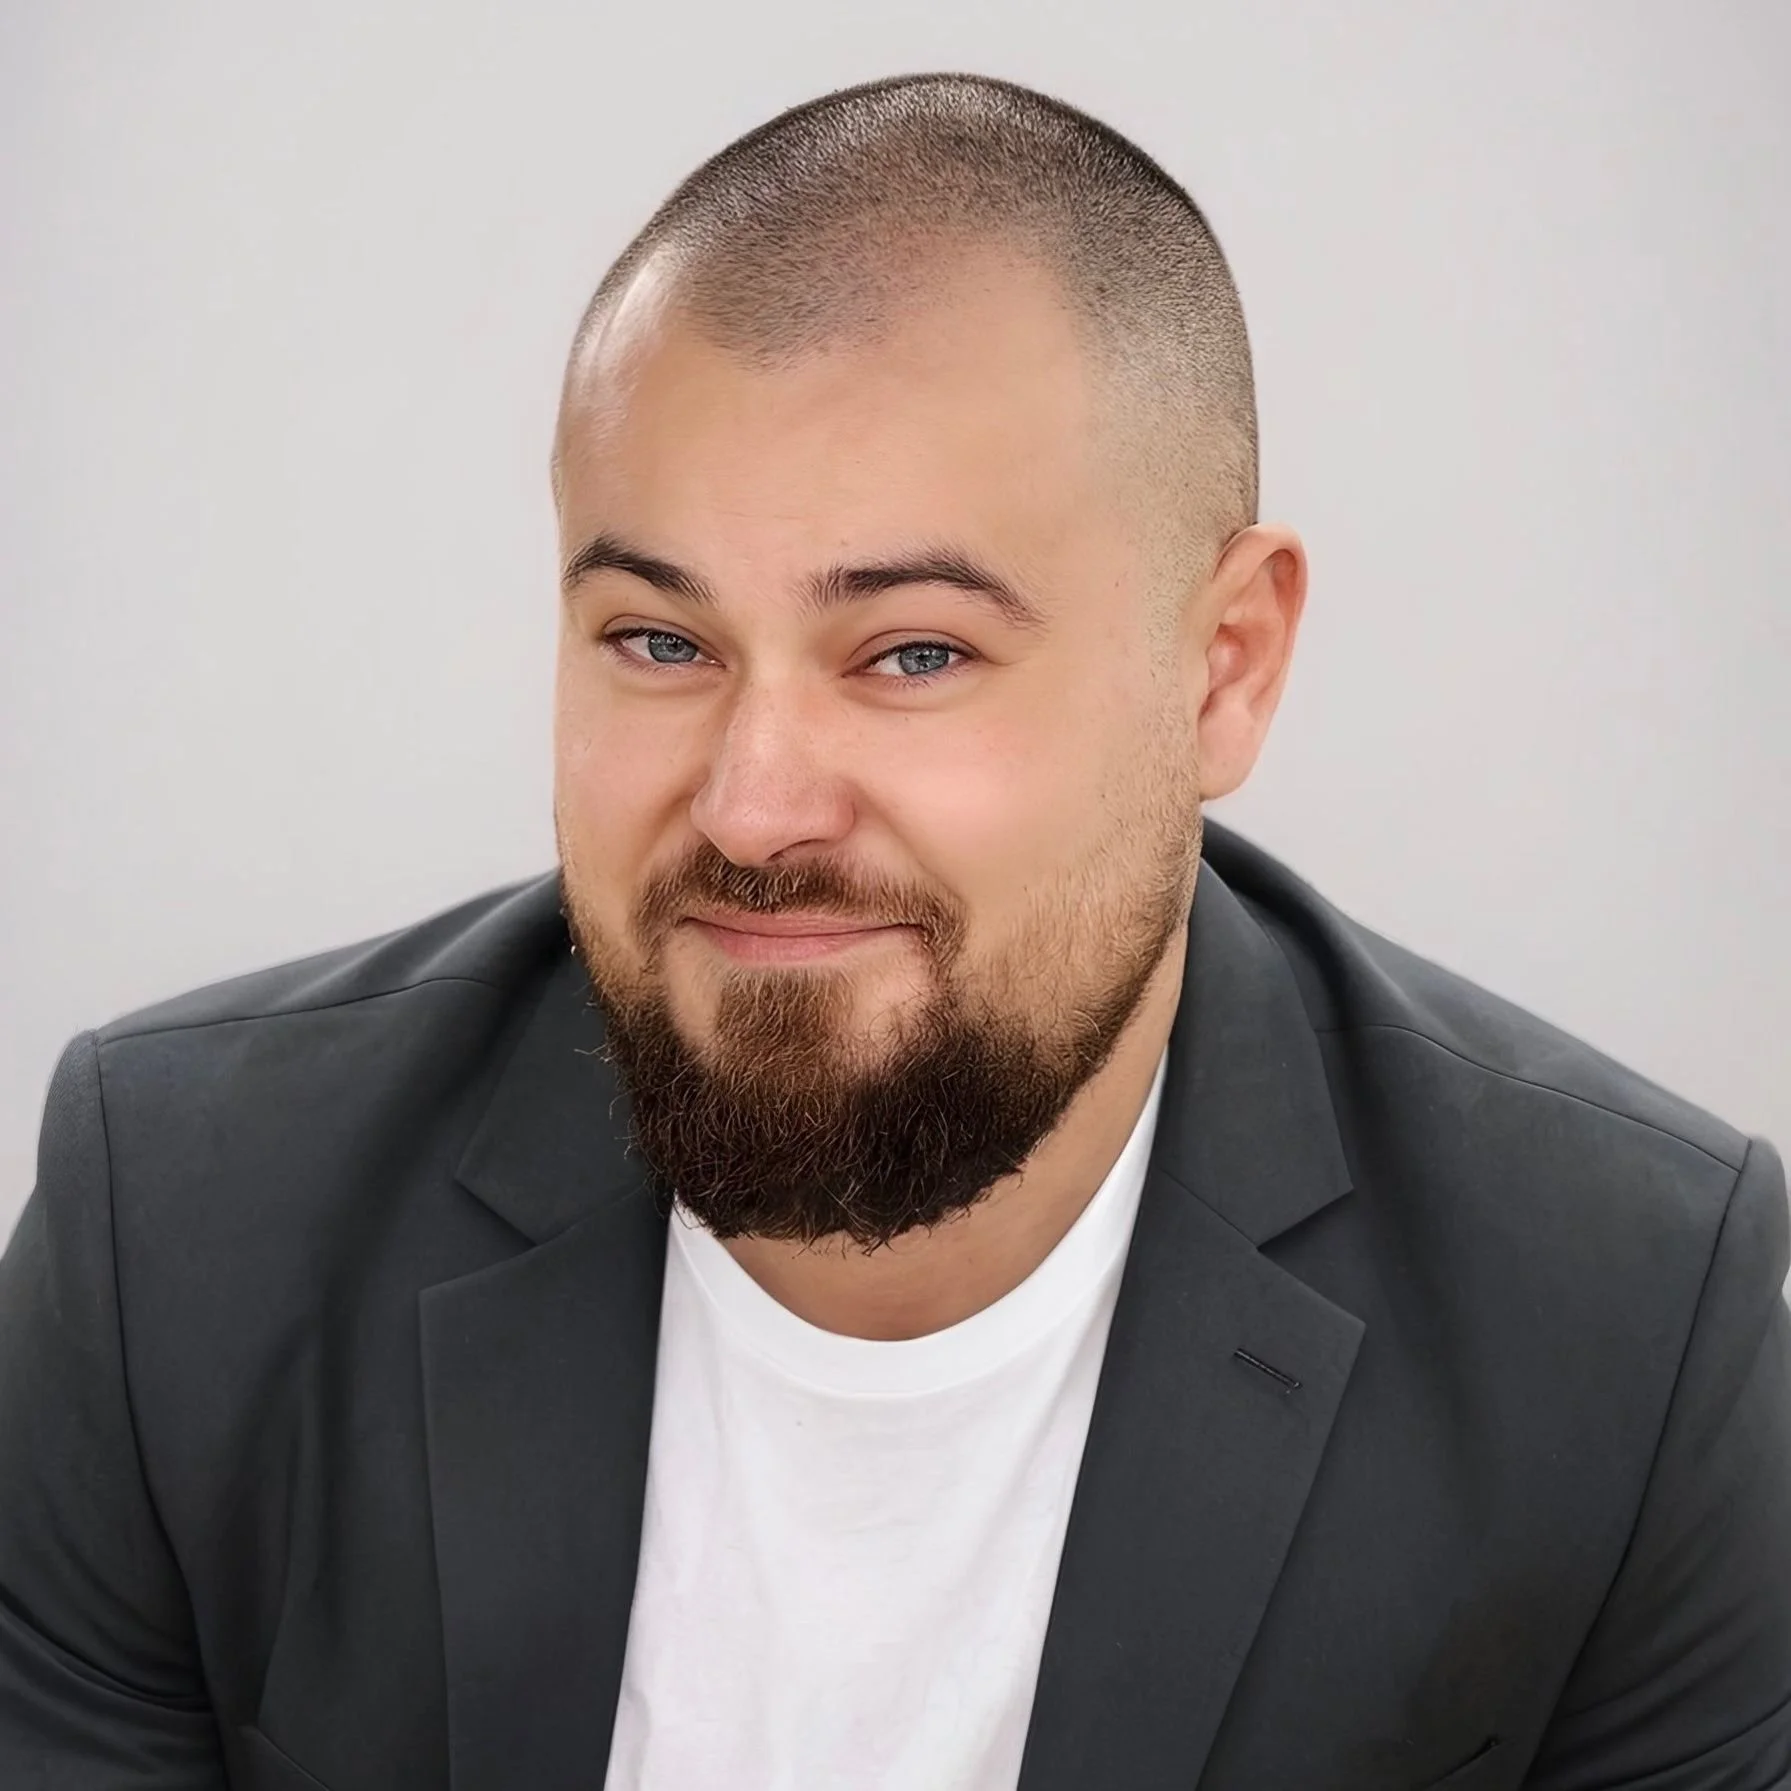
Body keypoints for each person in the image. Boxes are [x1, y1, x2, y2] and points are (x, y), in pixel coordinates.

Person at [2, 70, 1786, 1791]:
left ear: (1220, 668)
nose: (753, 804)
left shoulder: (1618, 1335)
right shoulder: (182, 1238)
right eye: (657, 641)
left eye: (912, 652)